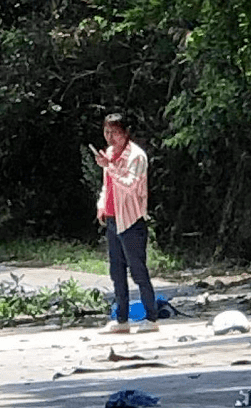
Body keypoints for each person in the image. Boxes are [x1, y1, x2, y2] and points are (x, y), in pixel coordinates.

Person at [93, 112, 158, 334]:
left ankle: (151, 318)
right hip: (112, 218)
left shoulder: (136, 157)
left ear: (126, 133)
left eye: (115, 133)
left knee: (138, 271)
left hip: (131, 220)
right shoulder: (109, 153)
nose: (110, 138)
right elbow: (106, 186)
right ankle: (122, 319)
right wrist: (101, 205)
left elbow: (130, 186)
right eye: (106, 132)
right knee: (116, 271)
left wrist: (109, 166)